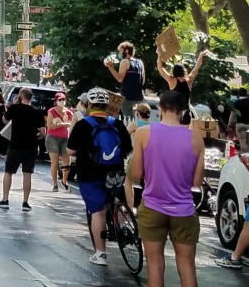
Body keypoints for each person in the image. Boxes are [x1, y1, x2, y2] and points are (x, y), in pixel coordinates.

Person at [127, 90, 204, 287]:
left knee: (154, 265)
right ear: (184, 111)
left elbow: (136, 175)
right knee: (187, 267)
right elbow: (196, 182)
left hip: (152, 206)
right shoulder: (196, 139)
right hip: (184, 210)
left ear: (159, 108)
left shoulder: (144, 133)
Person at [67, 87, 133, 265]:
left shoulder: (83, 124)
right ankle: (124, 225)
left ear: (89, 105)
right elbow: (127, 149)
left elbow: (70, 150)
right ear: (107, 106)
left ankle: (101, 254)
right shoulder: (117, 124)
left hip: (90, 174)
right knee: (115, 201)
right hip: (115, 173)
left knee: (98, 212)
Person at [0, 87, 44, 211]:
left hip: (15, 145)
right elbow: (43, 132)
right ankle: (25, 203)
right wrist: (35, 138)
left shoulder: (15, 109)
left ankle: (5, 199)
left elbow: (4, 120)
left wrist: (14, 104)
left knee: (8, 172)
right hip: (31, 147)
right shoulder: (37, 112)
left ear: (20, 97)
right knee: (27, 175)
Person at [157, 51, 207, 124]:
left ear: (174, 71)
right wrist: (201, 56)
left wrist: (159, 55)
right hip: (186, 112)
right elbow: (196, 68)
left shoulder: (172, 80)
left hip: (174, 113)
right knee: (184, 134)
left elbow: (160, 69)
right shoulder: (189, 80)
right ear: (184, 71)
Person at [104, 41, 145, 115]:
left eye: (120, 50)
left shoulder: (124, 61)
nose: (119, 53)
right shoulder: (140, 63)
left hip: (127, 98)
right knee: (138, 121)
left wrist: (110, 67)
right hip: (139, 97)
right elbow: (143, 80)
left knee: (128, 121)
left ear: (126, 51)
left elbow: (120, 79)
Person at [45, 92, 73, 192]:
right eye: (60, 100)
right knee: (55, 161)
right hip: (52, 138)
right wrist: (62, 124)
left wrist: (67, 124)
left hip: (65, 138)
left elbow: (72, 123)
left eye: (63, 100)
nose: (62, 102)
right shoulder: (51, 111)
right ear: (56, 101)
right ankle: (55, 184)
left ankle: (64, 181)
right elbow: (49, 126)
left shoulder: (68, 112)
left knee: (67, 161)